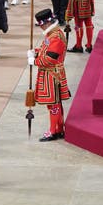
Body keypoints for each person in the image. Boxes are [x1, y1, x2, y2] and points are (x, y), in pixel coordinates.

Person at [28, 9, 71, 142]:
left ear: (46, 23)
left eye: (41, 24)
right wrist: (35, 52)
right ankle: (58, 128)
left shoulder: (56, 37)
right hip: (49, 73)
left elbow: (50, 59)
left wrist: (34, 61)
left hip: (52, 74)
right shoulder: (51, 34)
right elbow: (45, 49)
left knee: (53, 104)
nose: (40, 27)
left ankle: (53, 131)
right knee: (54, 104)